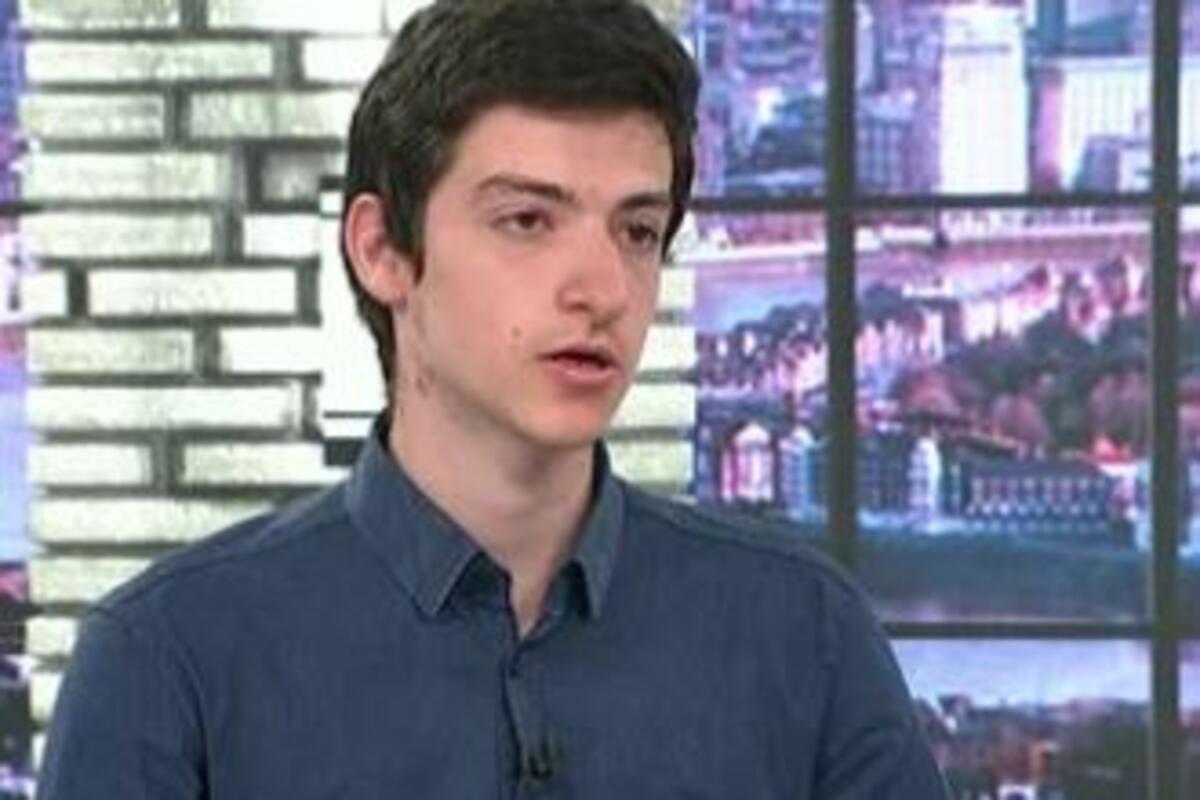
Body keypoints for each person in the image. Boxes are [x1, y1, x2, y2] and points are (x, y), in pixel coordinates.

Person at [37, 0, 949, 797]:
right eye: (527, 220)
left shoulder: (804, 635)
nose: (603, 289)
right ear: (382, 251)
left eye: (637, 230)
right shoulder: (168, 661)